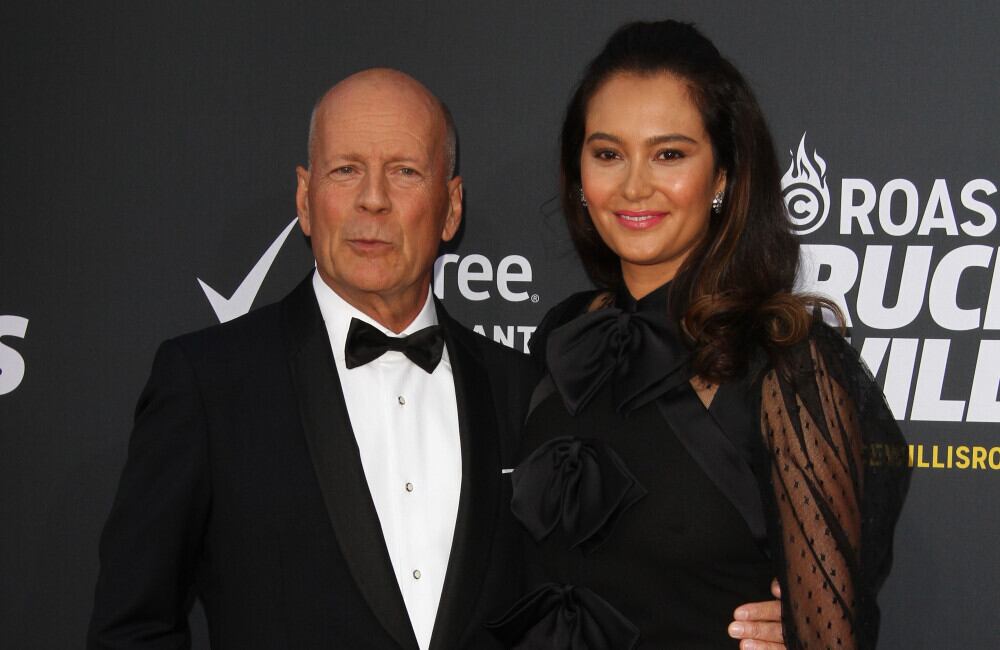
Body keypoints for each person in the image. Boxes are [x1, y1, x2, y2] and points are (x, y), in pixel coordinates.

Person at [88, 68, 790, 650]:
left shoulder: (526, 388)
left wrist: (774, 621)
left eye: (403, 172)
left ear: (451, 208)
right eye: (345, 170)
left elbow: (610, 576)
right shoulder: (209, 382)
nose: (372, 200)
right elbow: (132, 626)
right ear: (305, 197)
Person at [486, 21, 910, 650]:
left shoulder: (787, 365)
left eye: (669, 154)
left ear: (722, 176)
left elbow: (832, 633)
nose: (634, 186)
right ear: (579, 174)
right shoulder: (565, 333)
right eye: (608, 154)